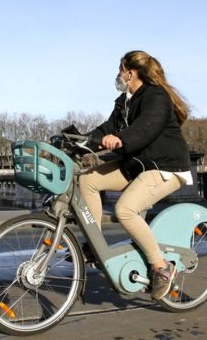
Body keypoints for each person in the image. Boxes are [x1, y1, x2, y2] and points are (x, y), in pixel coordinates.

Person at [80, 50, 192, 300]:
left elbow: (147, 128)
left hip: (164, 166)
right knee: (87, 180)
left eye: (120, 70)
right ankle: (95, 244)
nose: (118, 75)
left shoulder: (156, 96)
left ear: (130, 72)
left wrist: (120, 139)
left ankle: (161, 268)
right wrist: (78, 142)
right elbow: (104, 130)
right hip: (137, 165)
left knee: (125, 210)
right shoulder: (123, 102)